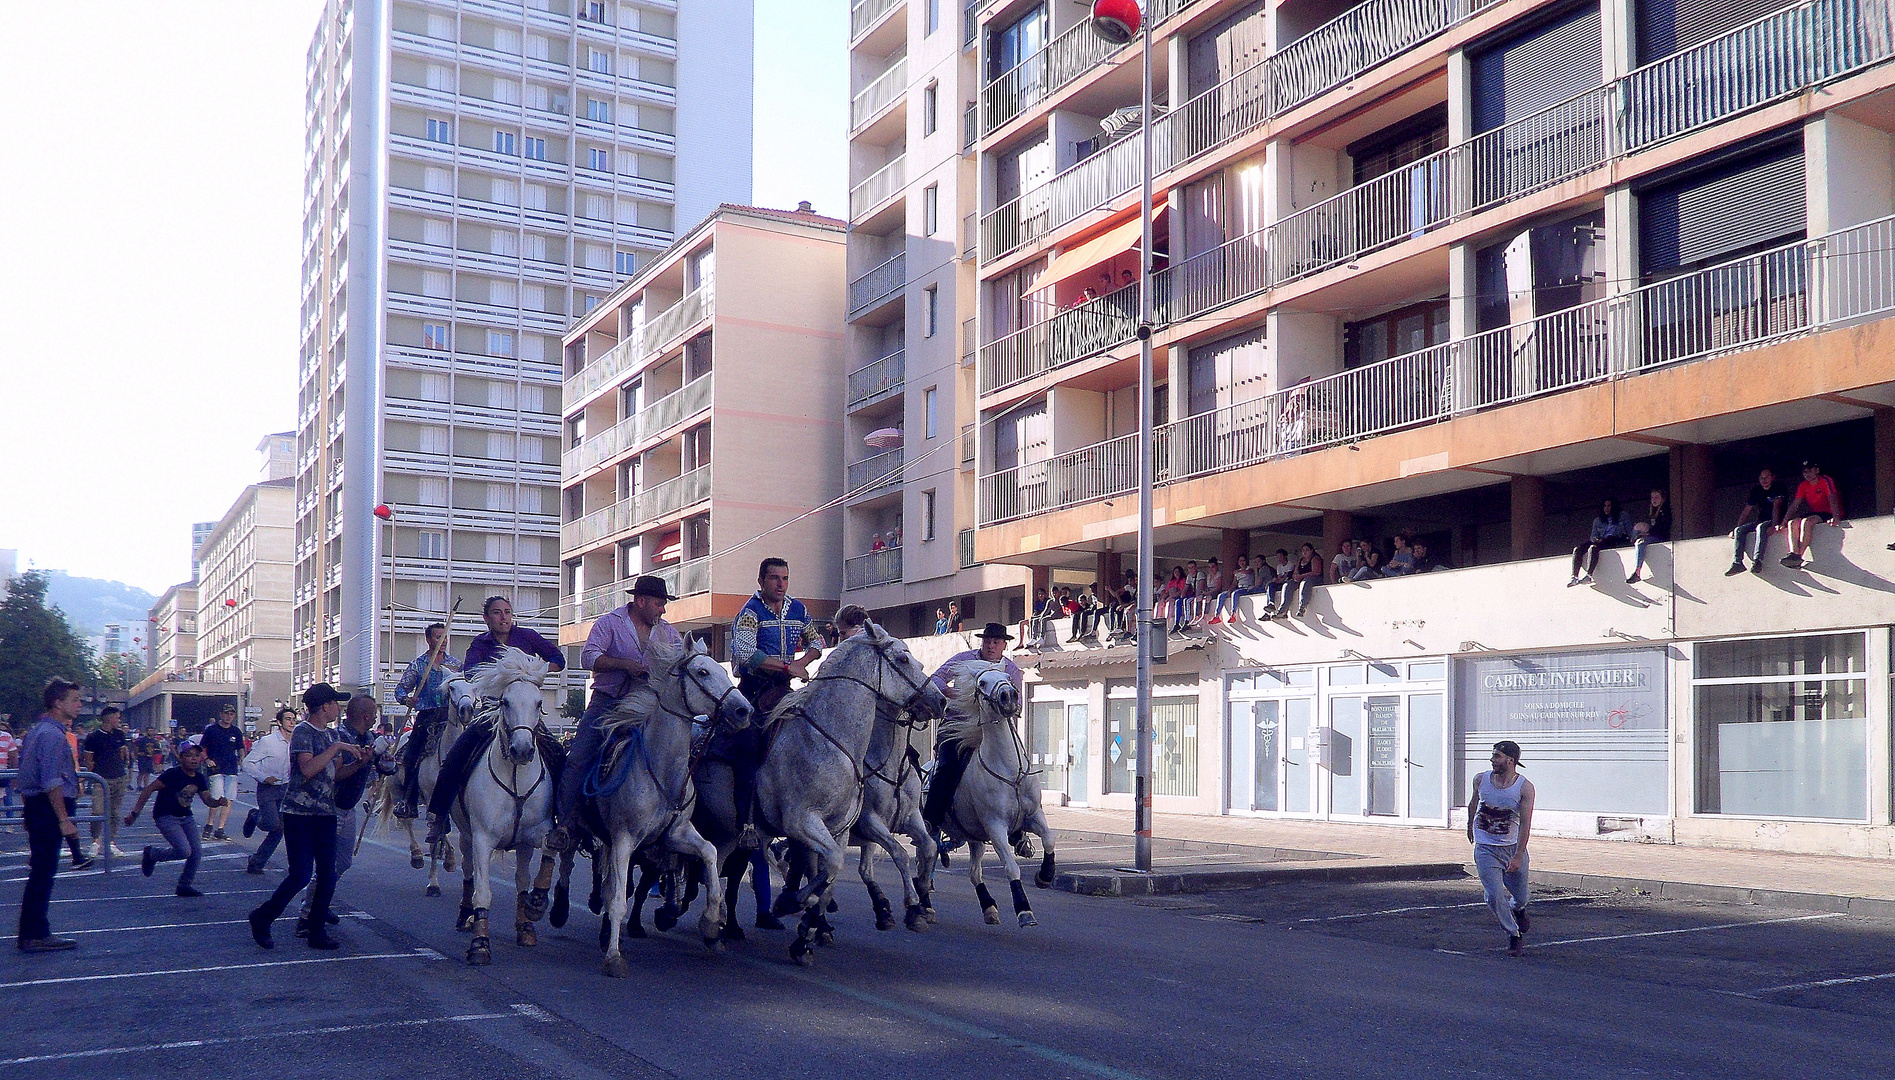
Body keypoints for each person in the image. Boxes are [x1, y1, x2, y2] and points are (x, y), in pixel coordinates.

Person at [544, 575, 682, 853]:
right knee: (579, 757)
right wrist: (625, 665)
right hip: (608, 703)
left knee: (678, 754)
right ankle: (565, 824)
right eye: (658, 604)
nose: (663, 610)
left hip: (648, 706)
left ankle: (675, 820)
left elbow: (680, 662)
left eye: (663, 605)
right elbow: (589, 657)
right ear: (640, 601)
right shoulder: (609, 623)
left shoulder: (668, 632)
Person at [248, 683, 359, 951]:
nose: (338, 707)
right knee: (300, 874)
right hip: (299, 813)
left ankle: (316, 929)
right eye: (335, 703)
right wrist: (337, 749)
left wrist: (361, 761)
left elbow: (336, 774)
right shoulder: (302, 732)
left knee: (327, 874)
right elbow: (308, 769)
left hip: (325, 813)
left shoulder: (332, 735)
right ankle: (263, 917)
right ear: (324, 707)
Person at [723, 558, 822, 846]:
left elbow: (816, 642)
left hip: (785, 688)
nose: (781, 584)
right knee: (749, 747)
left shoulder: (798, 609)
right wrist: (786, 667)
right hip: (754, 689)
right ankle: (745, 823)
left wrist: (801, 662)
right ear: (761, 581)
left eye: (785, 578)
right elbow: (745, 654)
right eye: (775, 578)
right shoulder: (750, 612)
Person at [921, 624, 1025, 844]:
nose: (991, 646)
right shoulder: (964, 658)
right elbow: (937, 677)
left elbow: (1018, 703)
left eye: (996, 642)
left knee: (1020, 771)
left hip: (991, 732)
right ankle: (931, 821)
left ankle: (1019, 826)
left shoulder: (1011, 669)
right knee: (948, 767)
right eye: (987, 641)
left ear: (1004, 645)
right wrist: (950, 691)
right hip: (957, 728)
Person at [15, 679, 87, 952]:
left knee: (41, 871)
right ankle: (35, 934)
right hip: (47, 808)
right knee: (44, 873)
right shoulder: (52, 735)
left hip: (39, 807)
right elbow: (50, 781)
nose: (79, 705)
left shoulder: (40, 731)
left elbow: (27, 775)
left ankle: (33, 932)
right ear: (59, 703)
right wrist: (63, 818)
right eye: (75, 700)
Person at [301, 695, 381, 939]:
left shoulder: (369, 737)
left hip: (349, 807)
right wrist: (361, 763)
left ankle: (320, 905)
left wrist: (382, 763)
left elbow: (376, 767)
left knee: (343, 862)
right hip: (331, 807)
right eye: (374, 712)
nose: (377, 716)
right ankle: (307, 915)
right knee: (327, 866)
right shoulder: (336, 738)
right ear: (366, 716)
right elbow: (334, 775)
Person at [124, 740, 226, 896]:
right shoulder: (172, 774)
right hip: (165, 815)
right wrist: (134, 813)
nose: (193, 759)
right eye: (189, 755)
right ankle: (152, 854)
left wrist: (217, 802)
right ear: (181, 757)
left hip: (185, 816)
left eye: (197, 756)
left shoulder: (199, 777)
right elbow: (148, 790)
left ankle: (184, 885)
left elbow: (207, 799)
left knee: (196, 852)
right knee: (184, 850)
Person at [1467, 740, 1535, 957]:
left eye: (1497, 756)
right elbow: (1473, 803)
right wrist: (1470, 826)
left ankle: (1519, 908)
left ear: (1510, 760)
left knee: (1521, 895)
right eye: (1492, 755)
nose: (1492, 760)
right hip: (1485, 847)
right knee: (1494, 894)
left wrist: (1518, 855)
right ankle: (1514, 935)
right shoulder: (1481, 779)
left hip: (1512, 847)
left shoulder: (1524, 787)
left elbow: (1525, 823)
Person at [393, 622, 463, 819]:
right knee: (411, 756)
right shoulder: (418, 665)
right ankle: (408, 800)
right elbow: (400, 690)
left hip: (451, 716)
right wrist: (408, 699)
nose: (442, 641)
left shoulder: (455, 665)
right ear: (428, 639)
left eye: (444, 637)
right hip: (427, 718)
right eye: (437, 637)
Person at [241, 707, 297, 873]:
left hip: (286, 788)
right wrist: (263, 777)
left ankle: (257, 862)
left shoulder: (296, 742)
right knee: (271, 824)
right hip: (268, 788)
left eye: (294, 719)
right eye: (288, 719)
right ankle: (254, 815)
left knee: (279, 830)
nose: (292, 722)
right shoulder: (268, 742)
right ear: (279, 723)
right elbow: (247, 764)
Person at [80, 705, 132, 858]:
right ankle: (95, 842)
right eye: (117, 717)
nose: (119, 720)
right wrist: (94, 773)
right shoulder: (93, 737)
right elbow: (88, 759)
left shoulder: (119, 734)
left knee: (115, 813)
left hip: (119, 777)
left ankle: (111, 843)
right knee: (97, 811)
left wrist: (124, 769)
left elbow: (124, 753)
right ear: (109, 718)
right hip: (101, 779)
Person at [464, 595, 566, 671]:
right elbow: (470, 671)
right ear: (486, 618)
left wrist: (536, 670)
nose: (504, 617)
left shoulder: (528, 635)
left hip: (526, 696)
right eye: (497, 612)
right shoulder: (480, 642)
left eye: (507, 612)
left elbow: (558, 660)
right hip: (491, 697)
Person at [1782, 460, 1846, 569]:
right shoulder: (1803, 485)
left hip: (1830, 512)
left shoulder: (1825, 480)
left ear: (1817, 470)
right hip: (1817, 512)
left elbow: (1832, 498)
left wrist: (1836, 517)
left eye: (1810, 471)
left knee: (1807, 522)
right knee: (1793, 522)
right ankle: (1793, 553)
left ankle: (1798, 556)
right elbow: (1795, 505)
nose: (1807, 474)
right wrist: (1783, 522)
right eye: (1805, 472)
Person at [1727, 467, 1790, 576]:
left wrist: (1775, 525)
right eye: (1761, 477)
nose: (1764, 480)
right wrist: (1736, 528)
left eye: (1767, 477)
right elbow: (1746, 511)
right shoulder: (1757, 490)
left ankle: (1758, 561)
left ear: (1773, 477)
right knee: (1739, 530)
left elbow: (1777, 507)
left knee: (1761, 527)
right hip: (1761, 519)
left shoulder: (1778, 487)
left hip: (1776, 520)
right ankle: (1738, 563)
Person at [197, 704, 245, 841]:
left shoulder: (236, 731)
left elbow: (240, 747)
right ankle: (209, 825)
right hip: (215, 767)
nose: (229, 716)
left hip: (231, 768)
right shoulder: (212, 730)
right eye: (226, 713)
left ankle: (221, 828)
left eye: (231, 714)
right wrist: (206, 759)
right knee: (217, 798)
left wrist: (242, 758)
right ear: (221, 714)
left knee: (229, 799)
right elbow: (202, 747)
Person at [1567, 498, 1632, 586]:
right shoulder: (1598, 521)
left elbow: (1629, 531)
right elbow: (1593, 536)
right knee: (1578, 549)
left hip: (1615, 539)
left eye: (1609, 506)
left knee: (1593, 548)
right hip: (1600, 540)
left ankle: (1589, 575)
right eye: (1604, 506)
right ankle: (1574, 577)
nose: (1606, 508)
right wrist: (1596, 539)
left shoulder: (1622, 516)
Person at [1626, 489, 1672, 584]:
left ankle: (1637, 572)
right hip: (1653, 534)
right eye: (1652, 498)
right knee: (1638, 527)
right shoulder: (1652, 511)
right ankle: (1632, 544)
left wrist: (1649, 533)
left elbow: (1664, 528)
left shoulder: (1665, 511)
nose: (1654, 500)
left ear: (1662, 499)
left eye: (1657, 497)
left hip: (1660, 537)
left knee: (1641, 542)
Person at [1281, 542, 1325, 618]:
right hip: (1301, 579)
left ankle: (1302, 606)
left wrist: (1302, 576)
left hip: (1313, 579)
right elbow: (1295, 571)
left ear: (1311, 550)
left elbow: (1316, 571)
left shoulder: (1315, 558)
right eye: (1303, 550)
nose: (1305, 552)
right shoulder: (1301, 560)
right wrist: (1295, 576)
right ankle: (1283, 610)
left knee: (1305, 582)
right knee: (1288, 584)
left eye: (1307, 550)